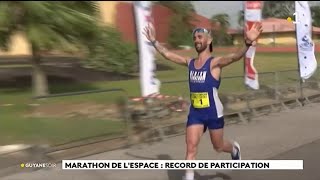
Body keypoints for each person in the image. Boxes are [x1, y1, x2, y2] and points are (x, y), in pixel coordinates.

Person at [143, 22, 263, 180]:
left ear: (209, 40)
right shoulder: (190, 63)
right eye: (194, 38)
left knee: (218, 147)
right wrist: (154, 41)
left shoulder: (214, 63)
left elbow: (234, 57)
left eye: (200, 36)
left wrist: (247, 43)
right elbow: (168, 54)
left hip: (213, 112)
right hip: (196, 113)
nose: (196, 40)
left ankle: (234, 149)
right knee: (191, 148)